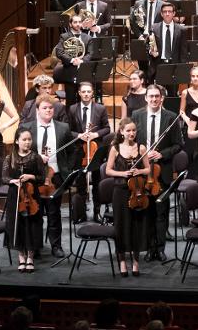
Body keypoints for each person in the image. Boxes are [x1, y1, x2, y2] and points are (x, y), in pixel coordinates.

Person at [16, 95, 72, 259]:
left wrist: (67, 168)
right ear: (37, 110)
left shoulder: (63, 127)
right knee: (36, 213)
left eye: (51, 108)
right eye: (45, 108)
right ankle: (36, 246)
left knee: (54, 213)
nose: (48, 111)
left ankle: (56, 246)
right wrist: (36, 157)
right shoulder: (27, 127)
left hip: (55, 176)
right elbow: (19, 151)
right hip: (34, 177)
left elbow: (73, 150)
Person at [129, 84, 178, 259]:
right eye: (151, 96)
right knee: (147, 212)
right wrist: (142, 152)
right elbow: (131, 140)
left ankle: (161, 248)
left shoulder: (171, 117)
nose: (154, 99)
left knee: (161, 212)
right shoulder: (136, 115)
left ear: (162, 98)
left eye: (157, 96)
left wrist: (161, 153)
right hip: (143, 172)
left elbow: (178, 144)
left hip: (161, 172)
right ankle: (150, 248)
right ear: (146, 98)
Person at [3, 127, 48, 272]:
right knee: (18, 224)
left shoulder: (35, 157)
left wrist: (30, 177)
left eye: (29, 139)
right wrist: (13, 181)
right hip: (15, 195)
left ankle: (30, 256)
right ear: (17, 141)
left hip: (32, 196)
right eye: (24, 139)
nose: (27, 142)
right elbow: (4, 177)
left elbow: (42, 178)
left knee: (31, 225)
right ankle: (21, 256)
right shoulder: (10, 158)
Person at [106, 118, 147, 275]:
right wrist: (123, 173)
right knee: (121, 226)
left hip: (137, 192)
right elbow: (108, 170)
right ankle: (122, 262)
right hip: (121, 191)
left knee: (136, 226)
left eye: (134, 130)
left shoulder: (141, 148)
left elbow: (148, 169)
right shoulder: (115, 148)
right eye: (128, 130)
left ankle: (136, 262)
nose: (131, 133)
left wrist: (140, 171)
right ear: (121, 131)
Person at [67, 82, 109, 222]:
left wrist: (95, 135)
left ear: (92, 93)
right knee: (80, 183)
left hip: (96, 149)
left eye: (88, 92)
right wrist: (79, 135)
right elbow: (69, 130)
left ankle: (97, 212)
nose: (86, 94)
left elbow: (107, 128)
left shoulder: (100, 108)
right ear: (79, 93)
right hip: (80, 150)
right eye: (83, 92)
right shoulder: (72, 109)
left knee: (97, 182)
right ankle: (81, 213)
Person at [52, 12, 95, 106]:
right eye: (75, 22)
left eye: (79, 22)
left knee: (83, 102)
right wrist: (72, 60)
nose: (78, 24)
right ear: (70, 24)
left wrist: (81, 61)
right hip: (69, 73)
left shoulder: (88, 38)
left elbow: (90, 54)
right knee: (70, 102)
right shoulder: (64, 36)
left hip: (83, 73)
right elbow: (59, 52)